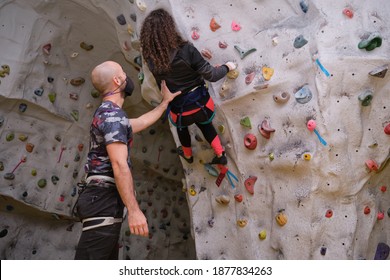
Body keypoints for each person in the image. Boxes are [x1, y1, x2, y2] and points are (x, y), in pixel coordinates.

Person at [74, 61, 181, 260]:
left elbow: (139, 122)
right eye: (123, 73)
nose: (126, 76)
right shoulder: (113, 116)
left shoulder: (109, 115)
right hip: (102, 198)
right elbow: (119, 164)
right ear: (117, 80)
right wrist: (134, 211)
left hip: (101, 199)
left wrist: (165, 103)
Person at [140, 8, 236, 165]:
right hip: (202, 105)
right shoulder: (187, 50)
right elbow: (211, 75)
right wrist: (227, 67)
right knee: (205, 124)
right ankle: (220, 154)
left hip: (180, 111)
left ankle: (188, 155)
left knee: (181, 128)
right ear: (170, 29)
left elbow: (162, 88)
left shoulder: (152, 61)